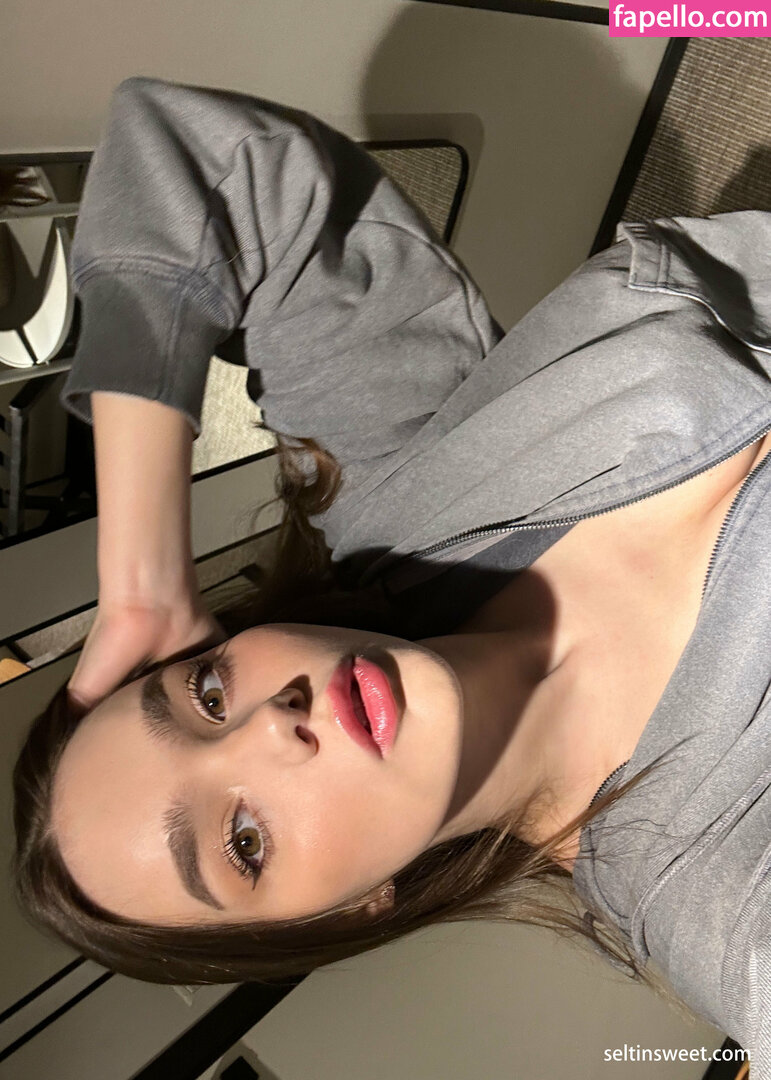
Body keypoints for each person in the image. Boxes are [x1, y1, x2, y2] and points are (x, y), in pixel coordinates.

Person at [12, 75, 771, 1069]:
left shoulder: (394, 509)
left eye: (206, 696)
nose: (269, 727)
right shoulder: (712, 894)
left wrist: (142, 573)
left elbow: (193, 152)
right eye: (243, 842)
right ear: (350, 910)